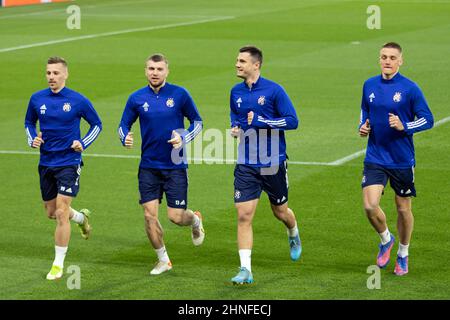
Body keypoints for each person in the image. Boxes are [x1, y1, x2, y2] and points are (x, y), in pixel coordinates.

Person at [118, 54, 205, 276]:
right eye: (150, 68)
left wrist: (183, 137)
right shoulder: (136, 98)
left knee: (176, 217)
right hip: (148, 166)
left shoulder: (180, 94)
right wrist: (125, 137)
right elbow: (123, 125)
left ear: (167, 71)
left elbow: (197, 122)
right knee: (149, 215)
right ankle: (163, 259)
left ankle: (194, 220)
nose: (154, 72)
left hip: (175, 165)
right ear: (145, 71)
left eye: (159, 69)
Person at [24, 56, 102, 280]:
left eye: (56, 73)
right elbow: (29, 122)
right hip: (46, 162)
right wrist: (32, 139)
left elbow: (97, 124)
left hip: (69, 162)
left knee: (60, 212)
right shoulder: (37, 99)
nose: (51, 77)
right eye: (48, 73)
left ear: (65, 74)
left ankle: (58, 265)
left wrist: (83, 143)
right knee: (52, 212)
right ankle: (80, 218)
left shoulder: (77, 100)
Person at [359, 42, 434, 276]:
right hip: (375, 155)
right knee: (370, 205)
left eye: (392, 57)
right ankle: (386, 239)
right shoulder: (369, 84)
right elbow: (364, 110)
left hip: (401, 158)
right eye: (383, 57)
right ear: (379, 59)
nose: (387, 61)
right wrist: (363, 126)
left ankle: (403, 253)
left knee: (403, 209)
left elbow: (428, 119)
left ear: (400, 61)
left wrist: (405, 126)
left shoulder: (410, 88)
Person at [229, 46, 301, 284]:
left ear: (256, 65)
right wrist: (236, 128)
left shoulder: (274, 91)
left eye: (242, 61)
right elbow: (236, 117)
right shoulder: (235, 92)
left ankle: (292, 230)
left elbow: (292, 121)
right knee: (244, 215)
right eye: (237, 60)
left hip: (273, 162)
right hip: (246, 163)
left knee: (280, 212)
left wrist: (263, 121)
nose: (237, 64)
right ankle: (245, 270)